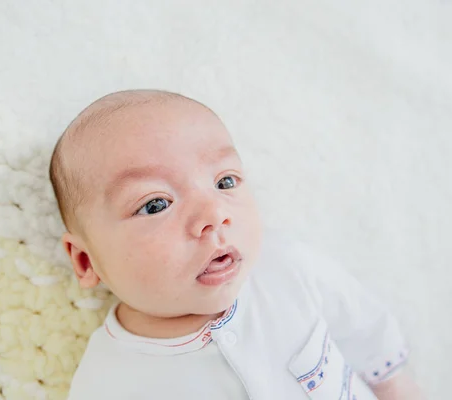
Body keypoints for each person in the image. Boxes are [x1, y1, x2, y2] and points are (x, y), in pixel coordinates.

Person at [49, 89, 424, 399]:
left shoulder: (286, 267)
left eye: (225, 182)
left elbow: (365, 329)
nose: (214, 214)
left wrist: (395, 388)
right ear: (85, 262)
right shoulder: (109, 381)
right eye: (155, 204)